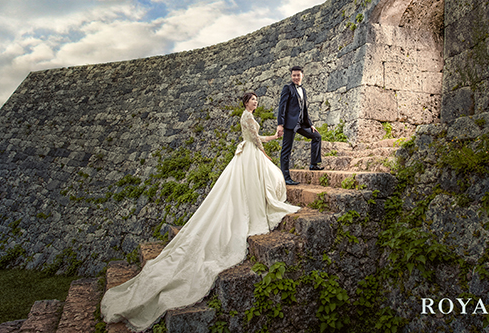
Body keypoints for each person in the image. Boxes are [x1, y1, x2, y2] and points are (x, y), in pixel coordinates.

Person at [100, 92, 300, 332]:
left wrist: (267, 140)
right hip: (250, 154)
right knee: (268, 177)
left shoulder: (247, 116)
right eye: (252, 100)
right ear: (246, 103)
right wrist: (268, 148)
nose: (255, 103)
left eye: (257, 100)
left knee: (254, 185)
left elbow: (254, 138)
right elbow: (255, 140)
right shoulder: (247, 117)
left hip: (247, 154)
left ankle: (256, 206)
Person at [277, 66, 323, 186]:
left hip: (301, 123)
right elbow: (282, 107)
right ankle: (286, 177)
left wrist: (311, 124)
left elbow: (304, 109)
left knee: (317, 136)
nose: (296, 77)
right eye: (294, 75)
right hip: (289, 124)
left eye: (298, 75)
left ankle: (313, 164)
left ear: (302, 75)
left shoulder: (303, 90)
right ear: (291, 76)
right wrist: (280, 124)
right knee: (286, 150)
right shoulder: (287, 88)